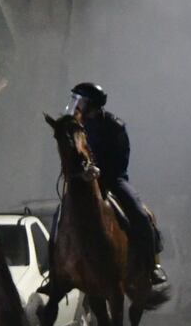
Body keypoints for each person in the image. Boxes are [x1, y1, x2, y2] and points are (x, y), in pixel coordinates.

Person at [63, 82, 167, 285]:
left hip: (113, 179)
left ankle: (152, 264)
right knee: (61, 215)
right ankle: (57, 271)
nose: (76, 106)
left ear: (92, 105)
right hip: (84, 180)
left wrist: (101, 172)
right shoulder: (76, 127)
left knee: (140, 213)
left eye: (80, 102)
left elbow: (121, 158)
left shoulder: (114, 126)